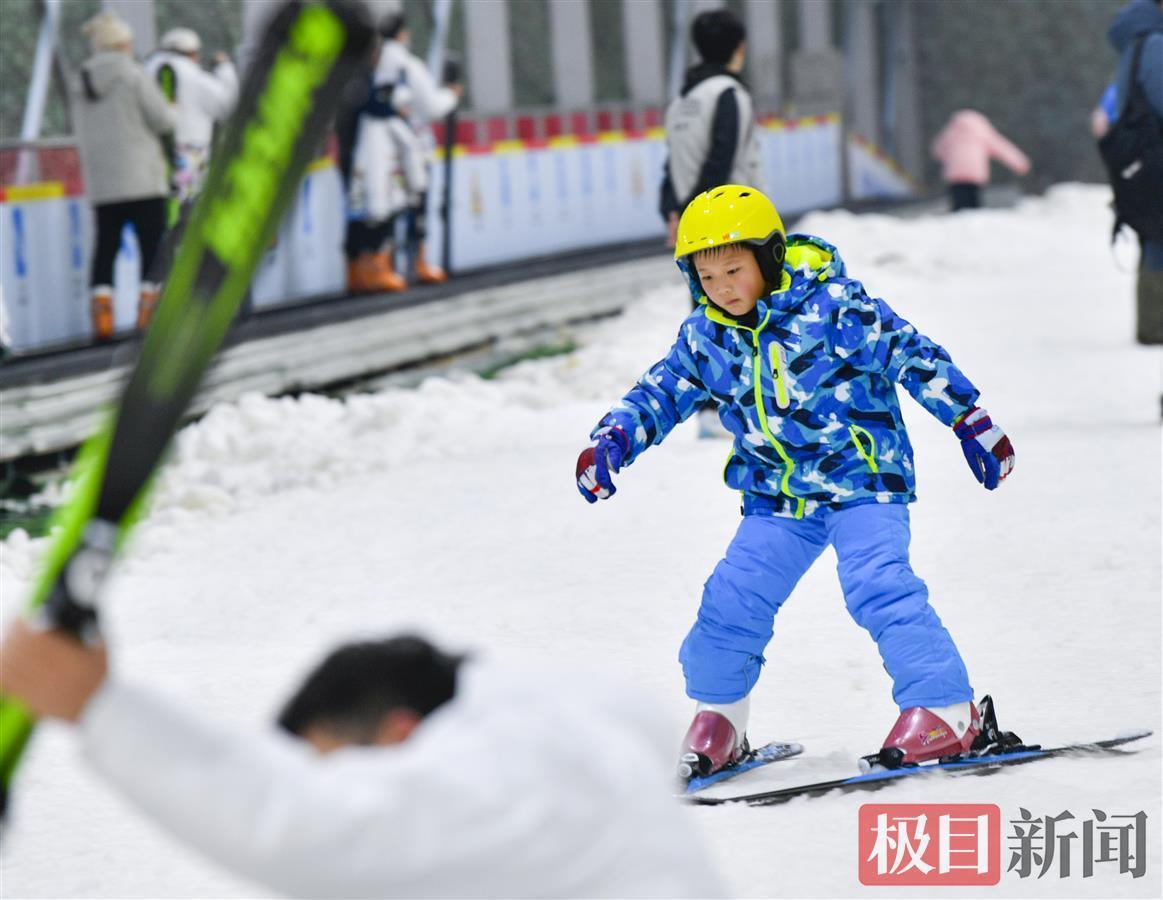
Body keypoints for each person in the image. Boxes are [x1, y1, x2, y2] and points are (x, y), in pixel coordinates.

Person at [575, 185, 1015, 780]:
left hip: (864, 481)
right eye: (706, 278)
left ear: (770, 258)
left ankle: (947, 711)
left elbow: (910, 354)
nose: (723, 287)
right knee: (730, 603)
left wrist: (971, 420)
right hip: (777, 498)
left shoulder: (832, 307)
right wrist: (613, 440)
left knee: (877, 585)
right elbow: (662, 391)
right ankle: (721, 718)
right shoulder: (708, 335)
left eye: (734, 269)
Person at [0, 625, 724, 897]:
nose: (349, 789)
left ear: (400, 732)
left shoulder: (518, 777)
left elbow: (302, 827)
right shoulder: (559, 719)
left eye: (341, 767)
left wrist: (99, 708)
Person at [659, 8, 763, 438]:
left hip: (694, 221)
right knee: (747, 311)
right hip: (732, 222)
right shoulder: (729, 95)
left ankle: (708, 411)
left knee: (706, 310)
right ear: (739, 49)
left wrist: (675, 211)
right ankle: (738, 408)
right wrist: (710, 213)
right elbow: (722, 157)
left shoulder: (682, 99)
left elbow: (670, 164)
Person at [72, 10, 176, 340]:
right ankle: (149, 315)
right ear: (122, 44)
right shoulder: (134, 75)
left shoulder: (82, 81)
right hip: (142, 179)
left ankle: (102, 319)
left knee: (106, 248)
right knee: (152, 247)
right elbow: (163, 120)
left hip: (104, 183)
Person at [375, 12, 460, 284]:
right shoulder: (408, 65)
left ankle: (383, 266)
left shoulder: (372, 64)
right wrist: (451, 95)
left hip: (377, 151)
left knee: (384, 207)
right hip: (410, 147)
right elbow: (431, 106)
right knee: (417, 204)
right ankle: (416, 263)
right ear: (402, 33)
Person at [1106, 0, 1163, 344]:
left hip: (1144, 158)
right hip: (1156, 156)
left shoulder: (1137, 42)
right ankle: (1154, 328)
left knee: (1155, 235)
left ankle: (1152, 326)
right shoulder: (1154, 44)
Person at [336, 36, 408, 294]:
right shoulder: (360, 78)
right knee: (370, 213)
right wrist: (395, 109)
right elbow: (373, 106)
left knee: (356, 215)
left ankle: (358, 272)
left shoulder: (348, 76)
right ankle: (370, 271)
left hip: (351, 157)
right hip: (360, 161)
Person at [145, 27, 238, 206]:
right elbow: (227, 107)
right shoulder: (193, 75)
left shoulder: (147, 70)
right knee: (189, 207)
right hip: (191, 152)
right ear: (192, 52)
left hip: (152, 155)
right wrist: (224, 69)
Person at [930, 109, 1030, 211]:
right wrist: (1021, 163)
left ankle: (958, 218)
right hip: (975, 173)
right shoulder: (982, 131)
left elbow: (937, 150)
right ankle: (974, 218)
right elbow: (1002, 148)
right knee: (973, 202)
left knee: (958, 202)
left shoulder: (950, 132)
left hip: (955, 175)